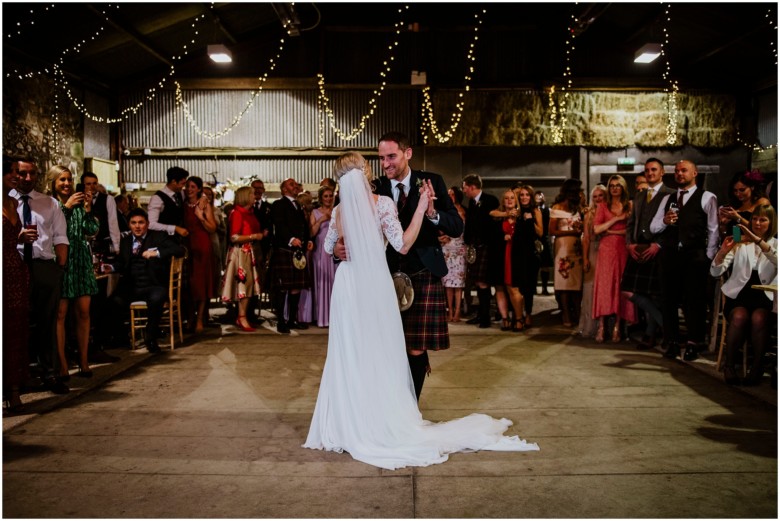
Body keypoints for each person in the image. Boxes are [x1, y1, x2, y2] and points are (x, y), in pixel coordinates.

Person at [303, 151, 538, 470]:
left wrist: (341, 248)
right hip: (375, 284)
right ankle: (382, 419)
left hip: (347, 286)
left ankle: (348, 422)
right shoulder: (381, 204)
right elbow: (401, 243)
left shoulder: (341, 210)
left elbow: (331, 246)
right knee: (381, 352)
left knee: (349, 352)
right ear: (365, 171)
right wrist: (418, 212)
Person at [364, 132, 464, 399]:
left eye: (391, 156)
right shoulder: (375, 188)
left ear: (408, 153)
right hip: (384, 276)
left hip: (423, 272)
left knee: (416, 347)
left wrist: (432, 212)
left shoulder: (432, 182)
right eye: (381, 158)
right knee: (389, 346)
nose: (385, 164)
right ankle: (393, 405)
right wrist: (340, 249)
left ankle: (411, 410)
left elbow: (456, 226)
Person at [11, 157, 70, 395]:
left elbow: (60, 237)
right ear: (13, 174)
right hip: (14, 265)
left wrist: (59, 269)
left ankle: (50, 374)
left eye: (32, 174)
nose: (27, 178)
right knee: (17, 322)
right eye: (22, 173)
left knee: (47, 322)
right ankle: (18, 377)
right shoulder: (6, 203)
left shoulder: (49, 203)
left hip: (44, 266)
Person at [650, 160, 719, 361]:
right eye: (677, 171)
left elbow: (713, 229)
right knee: (668, 300)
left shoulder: (707, 197)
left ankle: (692, 342)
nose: (679, 174)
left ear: (695, 173)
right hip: (670, 256)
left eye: (684, 170)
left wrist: (708, 256)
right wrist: (664, 221)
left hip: (694, 256)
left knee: (693, 301)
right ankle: (671, 342)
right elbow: (654, 228)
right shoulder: (667, 199)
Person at [710, 204, 777, 385]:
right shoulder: (740, 243)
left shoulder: (775, 244)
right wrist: (723, 251)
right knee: (739, 316)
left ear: (771, 222)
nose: (757, 223)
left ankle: (757, 367)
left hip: (765, 297)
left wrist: (758, 241)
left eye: (762, 219)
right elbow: (715, 272)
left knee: (759, 318)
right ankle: (729, 365)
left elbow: (776, 260)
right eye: (754, 219)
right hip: (739, 294)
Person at [104, 209, 186, 353]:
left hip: (153, 284)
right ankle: (120, 337)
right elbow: (121, 263)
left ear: (147, 224)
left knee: (157, 298)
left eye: (141, 222)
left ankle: (151, 337)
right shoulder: (126, 240)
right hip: (131, 286)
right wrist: (110, 267)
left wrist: (157, 253)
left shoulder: (158, 237)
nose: (137, 226)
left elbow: (179, 250)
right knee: (112, 302)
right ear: (129, 225)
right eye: (133, 223)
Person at [49, 166, 99, 380]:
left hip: (81, 262)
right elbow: (52, 230)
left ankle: (84, 360)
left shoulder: (79, 204)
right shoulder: (50, 205)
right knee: (60, 314)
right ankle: (62, 364)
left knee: (84, 312)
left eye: (69, 179)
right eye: (62, 180)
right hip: (62, 261)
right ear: (53, 182)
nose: (67, 184)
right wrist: (66, 208)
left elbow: (91, 231)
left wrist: (87, 209)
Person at [621, 158, 675, 350]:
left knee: (656, 295)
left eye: (654, 169)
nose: (650, 173)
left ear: (662, 172)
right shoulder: (640, 196)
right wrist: (629, 244)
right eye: (647, 170)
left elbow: (673, 227)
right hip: (637, 247)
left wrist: (658, 245)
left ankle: (653, 335)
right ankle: (668, 330)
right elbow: (630, 223)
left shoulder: (672, 195)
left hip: (657, 249)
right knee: (628, 290)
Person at [592, 175, 635, 343]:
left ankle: (618, 325)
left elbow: (630, 231)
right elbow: (596, 229)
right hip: (606, 250)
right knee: (604, 286)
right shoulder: (603, 206)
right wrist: (617, 219)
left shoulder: (629, 205)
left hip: (623, 249)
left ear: (623, 188)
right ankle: (602, 326)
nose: (615, 188)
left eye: (618, 185)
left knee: (620, 285)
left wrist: (610, 231)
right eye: (612, 186)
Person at [270, 178, 313, 334]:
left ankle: (292, 320)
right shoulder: (278, 204)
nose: (295, 186)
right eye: (291, 184)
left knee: (296, 286)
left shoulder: (298, 206)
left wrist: (308, 240)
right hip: (285, 250)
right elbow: (279, 225)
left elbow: (303, 226)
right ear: (283, 190)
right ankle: (281, 321)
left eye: (296, 184)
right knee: (283, 287)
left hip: (298, 251)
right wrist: (290, 239)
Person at [3, 157, 30, 411]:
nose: (16, 176)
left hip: (16, 268)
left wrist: (21, 235)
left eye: (16, 172)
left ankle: (14, 389)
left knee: (16, 328)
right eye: (11, 172)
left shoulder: (12, 202)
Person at [221, 186, 263, 332]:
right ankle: (241, 316)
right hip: (241, 252)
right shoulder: (237, 213)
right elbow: (234, 237)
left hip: (249, 251)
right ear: (245, 196)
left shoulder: (250, 213)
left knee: (248, 285)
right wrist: (254, 236)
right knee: (243, 285)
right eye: (252, 194)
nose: (254, 196)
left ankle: (243, 315)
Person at [462, 173, 500, 329]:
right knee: (477, 282)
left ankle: (486, 317)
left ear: (472, 187)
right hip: (475, 247)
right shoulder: (471, 203)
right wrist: (467, 243)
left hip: (486, 247)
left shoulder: (491, 200)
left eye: (465, 188)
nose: (463, 191)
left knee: (483, 282)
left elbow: (491, 225)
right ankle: (481, 315)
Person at [183, 176, 218, 334]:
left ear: (198, 189)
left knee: (202, 283)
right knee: (190, 284)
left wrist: (201, 217)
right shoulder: (183, 204)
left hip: (202, 244)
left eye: (192, 187)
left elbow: (212, 228)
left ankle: (199, 319)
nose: (189, 189)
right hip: (187, 246)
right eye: (187, 186)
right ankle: (190, 317)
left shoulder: (204, 205)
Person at [549, 178, 584, 327]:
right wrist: (571, 232)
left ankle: (578, 312)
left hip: (577, 247)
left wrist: (579, 231)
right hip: (563, 247)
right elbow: (551, 230)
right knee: (563, 281)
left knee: (576, 282)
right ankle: (566, 314)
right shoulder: (557, 207)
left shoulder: (578, 207)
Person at [511, 184, 543, 329]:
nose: (524, 197)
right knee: (517, 285)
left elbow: (541, 232)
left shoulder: (535, 211)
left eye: (527, 195)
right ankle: (517, 315)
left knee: (529, 286)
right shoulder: (515, 211)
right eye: (522, 195)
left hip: (530, 253)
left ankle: (528, 313)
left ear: (531, 197)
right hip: (516, 251)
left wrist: (530, 220)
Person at [489, 189, 521, 331]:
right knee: (499, 288)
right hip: (499, 255)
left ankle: (518, 317)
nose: (509, 200)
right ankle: (504, 318)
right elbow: (492, 234)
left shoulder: (521, 216)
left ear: (516, 201)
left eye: (512, 198)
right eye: (506, 198)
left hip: (515, 256)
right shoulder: (498, 216)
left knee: (514, 288)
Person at [578, 184, 607, 338]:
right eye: (594, 196)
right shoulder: (589, 214)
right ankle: (589, 326)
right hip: (593, 252)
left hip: (608, 252)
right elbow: (586, 239)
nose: (597, 199)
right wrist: (585, 258)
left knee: (604, 290)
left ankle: (604, 327)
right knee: (590, 289)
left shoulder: (610, 211)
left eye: (600, 196)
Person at [310, 185, 337, 327]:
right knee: (322, 284)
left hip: (335, 252)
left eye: (330, 195)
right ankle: (322, 318)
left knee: (335, 284)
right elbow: (312, 233)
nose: (328, 198)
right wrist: (322, 220)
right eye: (325, 196)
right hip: (320, 252)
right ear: (321, 198)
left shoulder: (338, 211)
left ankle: (335, 317)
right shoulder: (315, 212)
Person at [440, 186, 467, 322]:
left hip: (460, 248)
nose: (450, 196)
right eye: (448, 194)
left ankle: (458, 312)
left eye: (452, 194)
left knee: (458, 283)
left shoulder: (463, 211)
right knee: (447, 282)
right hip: (447, 248)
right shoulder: (446, 211)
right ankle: (449, 311)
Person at [718, 170, 771, 240]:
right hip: (736, 245)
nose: (738, 194)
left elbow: (761, 230)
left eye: (742, 190)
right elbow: (735, 234)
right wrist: (723, 224)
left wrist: (738, 218)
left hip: (754, 245)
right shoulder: (734, 205)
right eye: (735, 190)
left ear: (752, 187)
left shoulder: (762, 202)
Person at [250, 179, 273, 323]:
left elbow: (271, 225)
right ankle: (248, 311)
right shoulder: (247, 207)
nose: (258, 190)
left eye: (260, 188)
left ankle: (255, 307)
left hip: (263, 249)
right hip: (249, 246)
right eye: (255, 188)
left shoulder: (267, 207)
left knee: (260, 279)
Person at [81, 171, 120, 256]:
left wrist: (116, 247)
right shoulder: (79, 200)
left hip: (103, 244)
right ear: (82, 185)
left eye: (94, 183)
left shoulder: (108, 199)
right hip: (84, 246)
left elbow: (113, 223)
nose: (92, 186)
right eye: (88, 184)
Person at [148, 166, 189, 240]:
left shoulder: (181, 193)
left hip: (179, 240)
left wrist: (203, 198)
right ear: (173, 182)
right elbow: (151, 224)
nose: (183, 187)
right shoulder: (157, 198)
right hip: (163, 240)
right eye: (182, 183)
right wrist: (175, 228)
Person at [535, 191, 553, 296]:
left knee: (545, 265)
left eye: (540, 195)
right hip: (534, 238)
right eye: (536, 195)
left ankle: (544, 288)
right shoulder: (532, 210)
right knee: (534, 264)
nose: (538, 197)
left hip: (545, 238)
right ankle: (533, 287)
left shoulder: (548, 210)